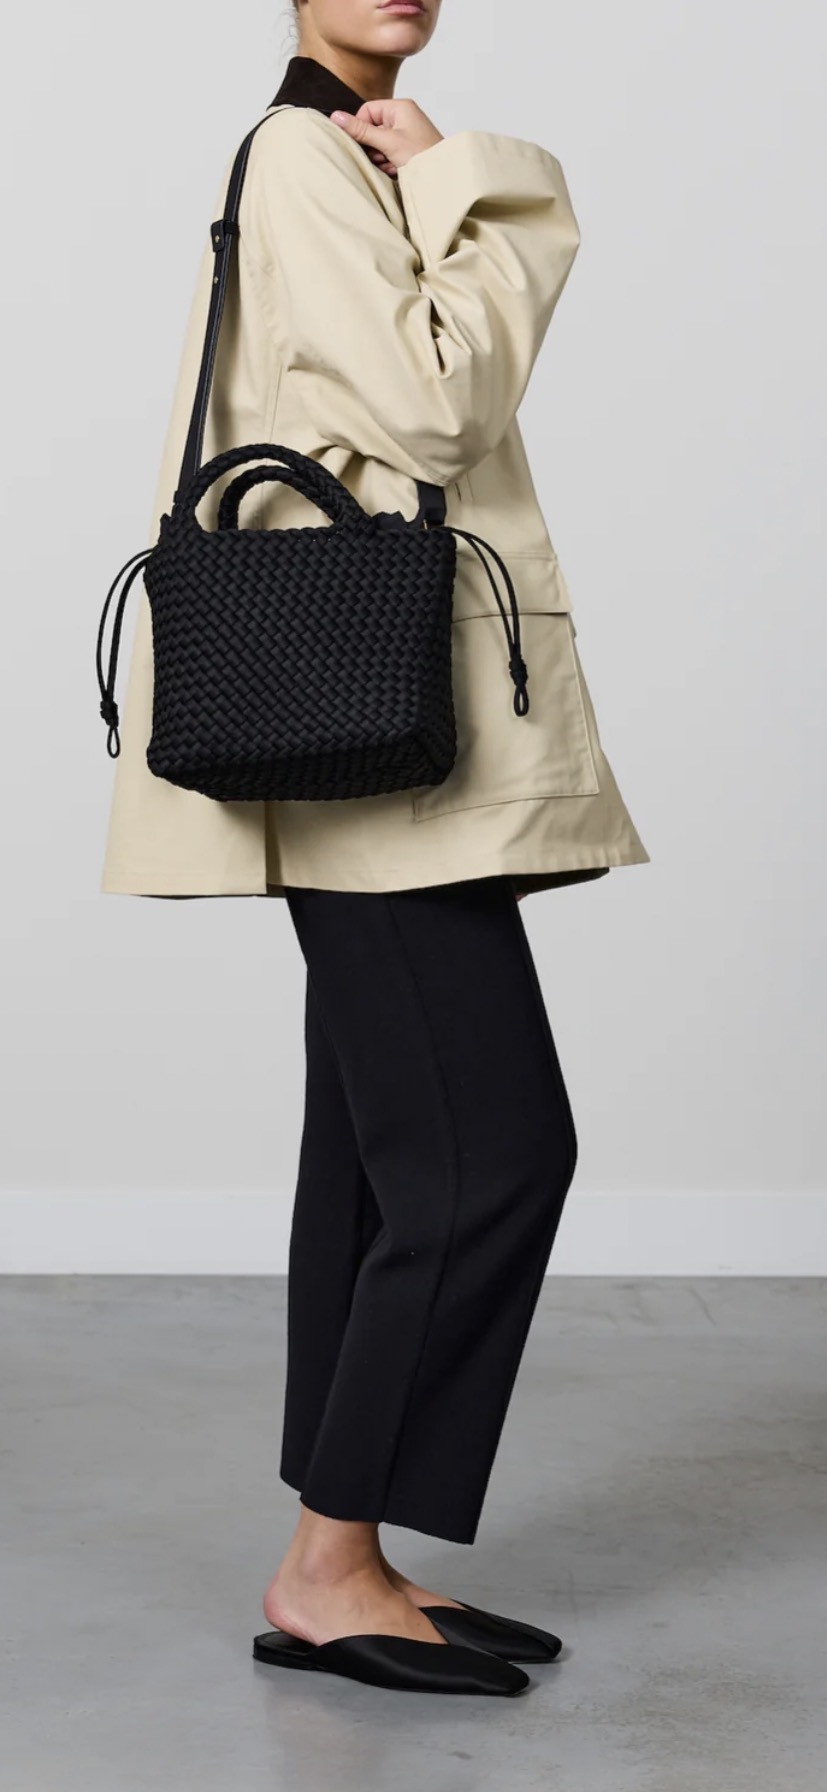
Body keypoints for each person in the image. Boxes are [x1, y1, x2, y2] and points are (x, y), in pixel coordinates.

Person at [100, 0, 649, 1697]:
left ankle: (346, 1557)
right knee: (492, 1157)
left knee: (377, 1161)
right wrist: (488, 183)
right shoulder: (303, 154)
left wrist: (427, 182)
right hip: (376, 746)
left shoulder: (334, 156)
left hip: (371, 735)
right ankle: (330, 1569)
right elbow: (431, 411)